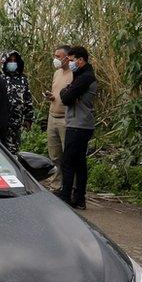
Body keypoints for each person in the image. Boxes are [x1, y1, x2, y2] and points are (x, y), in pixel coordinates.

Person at [57, 46, 97, 210]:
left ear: (81, 60)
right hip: (81, 124)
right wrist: (67, 91)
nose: (70, 63)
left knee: (68, 162)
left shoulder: (85, 77)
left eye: (72, 60)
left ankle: (66, 196)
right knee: (79, 162)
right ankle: (79, 198)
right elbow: (68, 94)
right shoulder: (82, 75)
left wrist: (66, 91)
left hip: (78, 125)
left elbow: (65, 97)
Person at [45, 46, 73, 189]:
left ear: (67, 57)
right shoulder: (57, 73)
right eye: (54, 55)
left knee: (68, 155)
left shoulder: (74, 74)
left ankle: (69, 186)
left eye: (58, 56)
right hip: (52, 116)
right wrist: (51, 97)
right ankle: (56, 185)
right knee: (55, 155)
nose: (55, 59)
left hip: (66, 119)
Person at [2, 50, 34, 154]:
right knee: (1, 150)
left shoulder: (22, 79)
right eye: (10, 60)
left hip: (16, 123)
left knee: (14, 151)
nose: (12, 63)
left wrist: (28, 118)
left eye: (14, 61)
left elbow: (27, 99)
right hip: (2, 123)